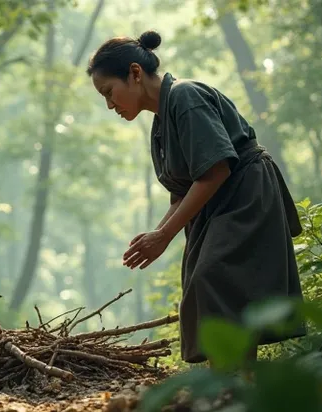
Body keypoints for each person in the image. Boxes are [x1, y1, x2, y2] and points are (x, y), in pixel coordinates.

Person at [86, 31, 306, 364]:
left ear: (134, 73)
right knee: (201, 288)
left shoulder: (186, 97)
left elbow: (216, 170)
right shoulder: (160, 125)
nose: (109, 105)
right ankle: (230, 381)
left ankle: (235, 382)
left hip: (244, 194)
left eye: (109, 92)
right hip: (213, 203)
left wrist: (164, 235)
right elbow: (181, 192)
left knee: (212, 277)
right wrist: (155, 236)